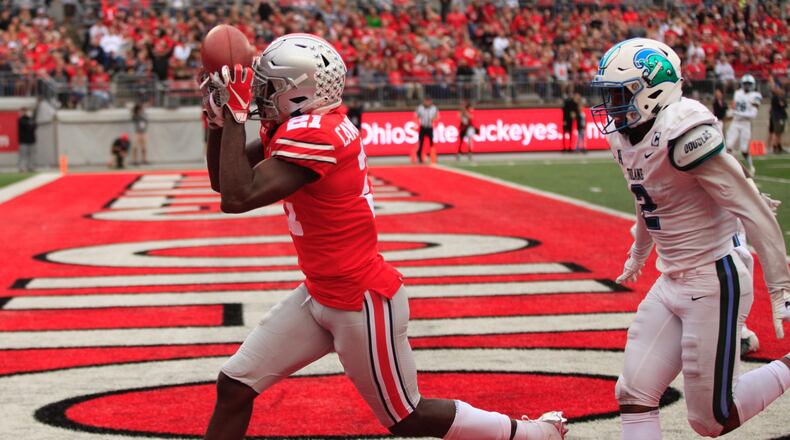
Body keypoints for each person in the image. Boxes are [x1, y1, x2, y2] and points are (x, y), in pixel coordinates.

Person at [199, 33, 567, 440]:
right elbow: (223, 181)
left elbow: (237, 197)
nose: (257, 94)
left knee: (407, 418)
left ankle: (531, 434)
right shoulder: (302, 125)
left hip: (360, 299)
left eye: (268, 87)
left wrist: (232, 118)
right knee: (235, 386)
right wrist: (217, 123)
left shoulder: (318, 133)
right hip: (321, 292)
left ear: (299, 94)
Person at [591, 38, 790, 440]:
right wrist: (638, 253)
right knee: (633, 391)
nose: (610, 103)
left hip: (714, 275)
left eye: (620, 92)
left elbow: (750, 208)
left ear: (652, 89)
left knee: (713, 419)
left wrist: (782, 290)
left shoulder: (682, 129)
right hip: (673, 278)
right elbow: (647, 199)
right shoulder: (627, 137)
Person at [726, 74, 762, 175]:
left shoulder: (756, 96)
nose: (747, 86)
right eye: (745, 84)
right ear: (742, 84)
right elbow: (733, 107)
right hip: (735, 123)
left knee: (744, 149)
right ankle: (731, 168)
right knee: (728, 146)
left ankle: (751, 167)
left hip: (746, 124)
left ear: (753, 85)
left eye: (749, 84)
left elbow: (753, 115)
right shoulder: (737, 93)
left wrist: (737, 113)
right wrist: (730, 112)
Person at [415, 96, 438, 164]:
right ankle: (419, 156)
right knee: (421, 142)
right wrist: (416, 122)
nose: (427, 102)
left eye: (428, 101)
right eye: (426, 101)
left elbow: (436, 116)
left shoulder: (434, 108)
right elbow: (417, 116)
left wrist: (434, 118)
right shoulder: (420, 108)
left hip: (430, 127)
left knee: (431, 142)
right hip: (423, 127)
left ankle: (432, 156)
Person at [767, 77, 786, 154]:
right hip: (778, 116)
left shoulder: (776, 96)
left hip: (776, 116)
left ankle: (777, 146)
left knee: (777, 132)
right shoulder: (777, 97)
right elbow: (782, 105)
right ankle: (775, 147)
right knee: (776, 132)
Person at [17, 106, 36, 172]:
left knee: (31, 155)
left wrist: (31, 120)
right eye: (23, 111)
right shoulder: (20, 120)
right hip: (23, 141)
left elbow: (34, 126)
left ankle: (31, 167)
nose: (24, 113)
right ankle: (22, 167)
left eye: (25, 111)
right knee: (23, 155)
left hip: (31, 140)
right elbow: (26, 125)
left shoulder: (30, 119)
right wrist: (30, 123)